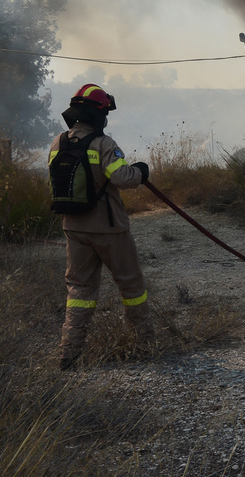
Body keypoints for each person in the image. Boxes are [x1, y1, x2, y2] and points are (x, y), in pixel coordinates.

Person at [48, 84, 154, 370]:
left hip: (74, 228)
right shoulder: (103, 144)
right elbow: (122, 178)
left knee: (79, 291)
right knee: (131, 285)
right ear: (98, 115)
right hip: (109, 228)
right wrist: (141, 171)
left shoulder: (57, 143)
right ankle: (145, 344)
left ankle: (68, 354)